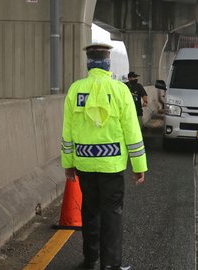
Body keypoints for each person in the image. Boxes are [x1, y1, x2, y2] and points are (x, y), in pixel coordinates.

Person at [61, 43, 147, 270]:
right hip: (112, 165)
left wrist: (68, 164)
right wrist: (139, 165)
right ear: (107, 63)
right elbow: (132, 132)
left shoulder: (75, 90)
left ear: (89, 63)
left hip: (84, 164)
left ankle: (90, 259)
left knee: (89, 211)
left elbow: (67, 133)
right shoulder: (120, 91)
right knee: (112, 215)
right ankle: (110, 266)